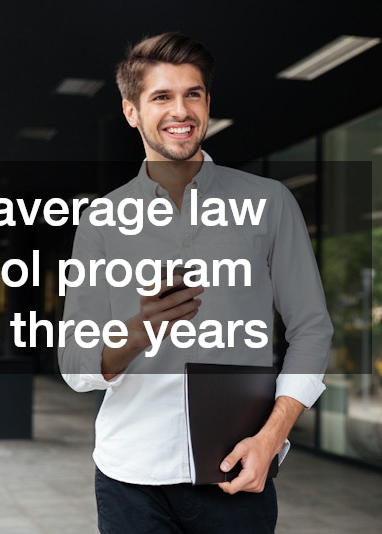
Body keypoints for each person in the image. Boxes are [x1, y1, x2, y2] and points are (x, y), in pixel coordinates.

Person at [58, 32, 332, 533]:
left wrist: (272, 437)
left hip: (234, 472)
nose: (180, 110)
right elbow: (75, 364)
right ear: (131, 112)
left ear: (207, 103)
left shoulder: (270, 204)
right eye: (161, 96)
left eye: (193, 94)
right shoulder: (101, 220)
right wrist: (138, 331)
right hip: (129, 480)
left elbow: (312, 329)